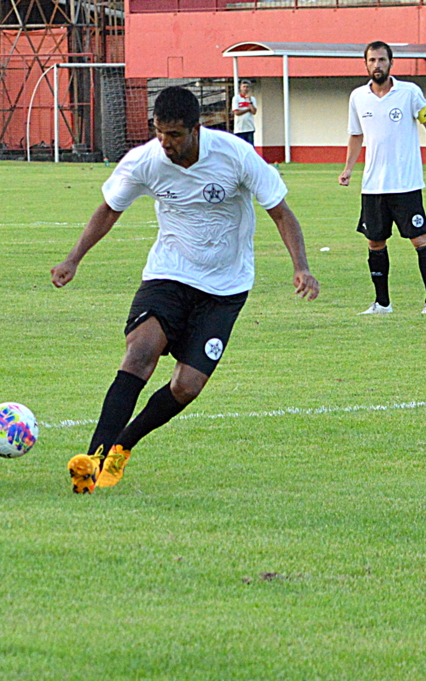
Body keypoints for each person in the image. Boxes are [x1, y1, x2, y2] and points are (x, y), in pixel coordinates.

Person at [51, 86, 319, 494]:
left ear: (196, 129)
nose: (166, 143)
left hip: (225, 287)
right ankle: (93, 459)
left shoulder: (235, 156)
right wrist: (73, 258)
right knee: (139, 354)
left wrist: (301, 266)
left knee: (185, 387)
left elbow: (281, 212)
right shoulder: (145, 161)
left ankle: (124, 445)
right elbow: (108, 210)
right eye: (160, 133)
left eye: (174, 135)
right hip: (169, 274)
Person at [339, 40, 426, 316]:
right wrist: (348, 168)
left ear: (390, 62)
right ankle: (382, 303)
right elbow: (356, 135)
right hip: (373, 186)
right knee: (375, 242)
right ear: (366, 64)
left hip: (406, 184)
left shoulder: (409, 93)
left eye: (382, 60)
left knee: (419, 239)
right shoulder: (358, 97)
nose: (377, 65)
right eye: (372, 60)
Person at [231, 79, 257, 146]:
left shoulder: (252, 99)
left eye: (247, 87)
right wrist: (248, 109)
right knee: (240, 147)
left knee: (250, 146)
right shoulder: (236, 98)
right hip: (239, 128)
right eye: (244, 86)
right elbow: (236, 112)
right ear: (241, 88)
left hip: (249, 127)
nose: (245, 88)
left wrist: (250, 102)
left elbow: (254, 111)